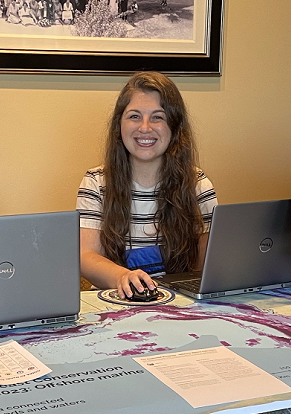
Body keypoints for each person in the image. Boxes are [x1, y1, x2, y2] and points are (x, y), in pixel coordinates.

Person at [77, 71, 217, 297]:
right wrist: (122, 277)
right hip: (113, 304)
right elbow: (86, 256)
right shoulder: (96, 182)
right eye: (134, 116)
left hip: (181, 306)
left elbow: (207, 264)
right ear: (118, 125)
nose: (144, 127)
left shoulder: (198, 184)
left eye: (157, 117)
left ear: (175, 127)